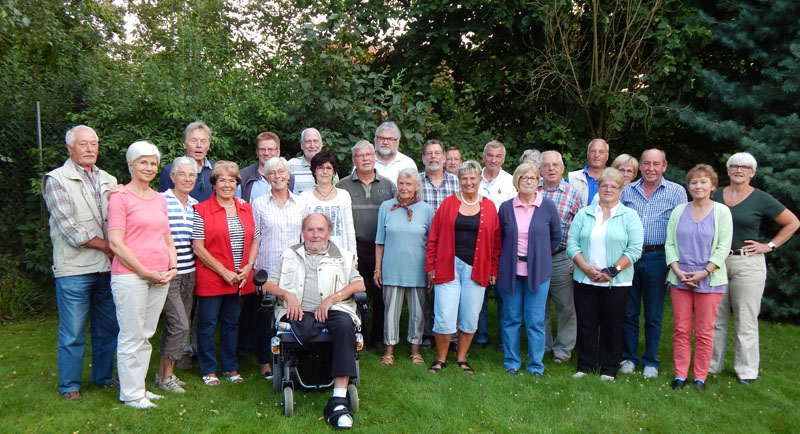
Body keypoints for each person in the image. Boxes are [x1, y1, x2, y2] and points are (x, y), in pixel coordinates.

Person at [264, 213, 366, 429]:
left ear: (329, 232)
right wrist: (287, 295)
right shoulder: (289, 254)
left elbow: (359, 286)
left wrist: (333, 298)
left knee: (345, 325)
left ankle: (338, 398)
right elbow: (268, 286)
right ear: (303, 232)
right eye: (311, 230)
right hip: (299, 310)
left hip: (334, 309)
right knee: (297, 322)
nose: (315, 235)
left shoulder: (344, 256)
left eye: (320, 230)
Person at [43, 125, 120, 401]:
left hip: (108, 268)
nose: (90, 149)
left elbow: (121, 220)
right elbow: (71, 230)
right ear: (69, 148)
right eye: (83, 144)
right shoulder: (56, 179)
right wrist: (111, 246)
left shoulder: (109, 180)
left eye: (94, 144)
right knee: (73, 331)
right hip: (74, 269)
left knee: (107, 328)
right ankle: (70, 386)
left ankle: (103, 377)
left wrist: (120, 246)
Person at [710, 152, 799, 384]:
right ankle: (711, 366)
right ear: (728, 171)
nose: (739, 170)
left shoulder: (761, 199)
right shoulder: (715, 194)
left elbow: (793, 222)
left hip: (747, 264)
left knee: (745, 320)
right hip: (717, 263)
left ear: (753, 173)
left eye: (745, 167)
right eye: (735, 166)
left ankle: (746, 372)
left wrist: (769, 245)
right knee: (715, 319)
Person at [107, 141, 178, 409]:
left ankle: (140, 389)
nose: (148, 167)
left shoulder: (160, 198)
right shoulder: (120, 197)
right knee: (131, 335)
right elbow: (116, 243)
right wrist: (145, 272)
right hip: (131, 276)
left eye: (153, 163)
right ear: (130, 165)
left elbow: (166, 236)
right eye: (143, 162)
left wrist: (172, 266)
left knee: (146, 334)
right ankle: (131, 394)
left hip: (160, 276)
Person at [426, 160, 501, 374]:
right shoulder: (448, 204)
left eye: (472, 178)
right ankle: (440, 358)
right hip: (448, 267)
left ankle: (461, 357)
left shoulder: (489, 206)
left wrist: (493, 270)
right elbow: (434, 237)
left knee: (470, 316)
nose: (468, 182)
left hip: (477, 269)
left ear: (479, 180)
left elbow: (496, 243)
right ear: (459, 181)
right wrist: (431, 265)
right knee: (444, 315)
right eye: (464, 178)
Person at [568, 168, 643, 381]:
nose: (608, 189)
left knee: (612, 324)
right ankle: (586, 365)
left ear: (621, 190)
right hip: (585, 278)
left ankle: (609, 368)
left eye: (614, 186)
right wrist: (585, 268)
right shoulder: (585, 213)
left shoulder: (629, 216)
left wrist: (612, 270)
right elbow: (572, 244)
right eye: (604, 185)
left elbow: (635, 248)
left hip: (616, 282)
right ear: (598, 188)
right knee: (586, 323)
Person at [619, 149, 687, 378]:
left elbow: (682, 230)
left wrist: (674, 265)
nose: (650, 168)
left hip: (659, 258)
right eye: (646, 163)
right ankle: (628, 357)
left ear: (664, 166)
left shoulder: (677, 192)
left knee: (654, 314)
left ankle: (651, 361)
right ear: (640, 165)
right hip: (629, 257)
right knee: (628, 312)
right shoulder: (626, 190)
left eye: (656, 164)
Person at [665, 164, 733, 391]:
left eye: (703, 182)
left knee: (704, 331)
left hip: (710, 280)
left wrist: (705, 272)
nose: (698, 185)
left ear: (713, 186)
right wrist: (676, 270)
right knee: (681, 329)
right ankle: (681, 375)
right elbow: (670, 243)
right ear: (689, 186)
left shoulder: (722, 211)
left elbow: (724, 246)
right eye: (694, 182)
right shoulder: (679, 211)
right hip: (680, 279)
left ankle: (700, 377)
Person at [192, 161, 259, 386]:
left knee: (232, 323)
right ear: (214, 184)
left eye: (232, 180)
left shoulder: (246, 207)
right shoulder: (201, 210)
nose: (227, 185)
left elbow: (256, 237)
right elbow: (198, 247)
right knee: (208, 324)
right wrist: (223, 271)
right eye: (222, 180)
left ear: (237, 184)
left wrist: (249, 265)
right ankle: (208, 369)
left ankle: (231, 368)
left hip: (240, 276)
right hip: (213, 276)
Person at [496, 163, 561, 377]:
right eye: (524, 177)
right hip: (511, 271)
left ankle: (536, 365)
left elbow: (556, 237)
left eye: (533, 177)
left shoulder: (548, 206)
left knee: (535, 321)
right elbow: (501, 238)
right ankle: (512, 362)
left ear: (538, 181)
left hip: (539, 272)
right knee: (511, 318)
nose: (529, 181)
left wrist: (540, 255)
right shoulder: (506, 207)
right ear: (517, 181)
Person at [337, 140, 397, 351]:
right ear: (354, 160)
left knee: (381, 295)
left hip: (383, 248)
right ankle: (358, 336)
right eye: (360, 156)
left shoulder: (388, 185)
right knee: (357, 294)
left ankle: (379, 338)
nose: (365, 159)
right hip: (355, 248)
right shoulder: (343, 185)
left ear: (374, 158)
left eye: (368, 155)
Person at [251, 157, 307, 379]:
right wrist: (255, 270)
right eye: (272, 173)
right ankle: (265, 363)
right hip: (268, 268)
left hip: (294, 269)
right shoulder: (259, 204)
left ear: (288, 174)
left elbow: (305, 237)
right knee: (266, 318)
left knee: (293, 314)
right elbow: (255, 238)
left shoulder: (301, 203)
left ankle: (294, 359)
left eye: (281, 172)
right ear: (265, 177)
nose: (277, 176)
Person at [374, 169, 435, 367]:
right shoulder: (386, 207)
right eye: (401, 183)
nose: (404, 188)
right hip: (391, 268)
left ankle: (415, 350)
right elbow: (380, 241)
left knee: (418, 312)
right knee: (390, 312)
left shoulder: (426, 210)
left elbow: (431, 243)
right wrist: (377, 268)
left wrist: (431, 270)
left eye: (409, 184)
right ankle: (389, 350)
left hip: (417, 269)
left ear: (417, 186)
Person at [155, 156, 199, 394]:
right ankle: (167, 377)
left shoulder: (194, 205)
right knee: (179, 324)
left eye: (192, 175)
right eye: (182, 174)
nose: (187, 179)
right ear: (172, 177)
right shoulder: (160, 200)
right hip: (169, 273)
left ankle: (162, 373)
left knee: (178, 325)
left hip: (189, 273)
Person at [537, 151, 584, 364]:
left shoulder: (572, 194)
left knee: (565, 306)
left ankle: (563, 349)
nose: (551, 169)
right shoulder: (532, 191)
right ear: (540, 169)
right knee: (539, 306)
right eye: (546, 165)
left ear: (563, 168)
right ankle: (542, 345)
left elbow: (581, 229)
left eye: (555, 165)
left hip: (561, 257)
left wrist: (577, 259)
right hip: (535, 259)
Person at [417, 139, 460, 347]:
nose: (433, 157)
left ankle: (450, 336)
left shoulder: (456, 182)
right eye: (429, 153)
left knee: (448, 290)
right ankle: (426, 334)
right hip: (420, 245)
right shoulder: (415, 182)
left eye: (437, 153)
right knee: (424, 290)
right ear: (423, 158)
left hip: (449, 246)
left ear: (444, 158)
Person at [476, 140, 516, 350]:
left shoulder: (510, 182)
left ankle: (503, 342)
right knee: (479, 295)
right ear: (484, 156)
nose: (493, 160)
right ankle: (481, 338)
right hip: (477, 246)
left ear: (503, 159)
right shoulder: (474, 178)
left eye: (497, 156)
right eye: (489, 155)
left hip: (503, 246)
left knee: (503, 296)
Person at [301, 151, 357, 255]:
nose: (325, 171)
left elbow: (350, 229)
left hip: (340, 254)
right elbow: (302, 231)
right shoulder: (305, 197)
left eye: (328, 168)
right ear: (314, 171)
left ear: (334, 172)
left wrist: (354, 257)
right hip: (313, 254)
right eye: (320, 168)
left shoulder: (343, 195)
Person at [159, 121, 215, 201]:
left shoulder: (217, 170)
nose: (199, 145)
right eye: (193, 140)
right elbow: (163, 203)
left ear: (208, 145)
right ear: (184, 144)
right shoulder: (170, 170)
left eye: (203, 141)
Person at [236, 131, 295, 202]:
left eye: (270, 149)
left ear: (278, 151)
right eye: (262, 149)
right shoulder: (243, 176)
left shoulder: (289, 178)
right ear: (257, 152)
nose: (266, 153)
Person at [290, 128, 338, 194]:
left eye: (315, 141)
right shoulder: (291, 165)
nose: (312, 146)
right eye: (308, 142)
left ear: (321, 144)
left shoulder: (329, 166)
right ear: (302, 145)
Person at [568, 138, 609, 205]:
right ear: (587, 154)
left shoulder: (615, 179)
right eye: (593, 151)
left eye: (601, 152)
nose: (596, 155)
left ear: (607, 156)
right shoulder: (572, 178)